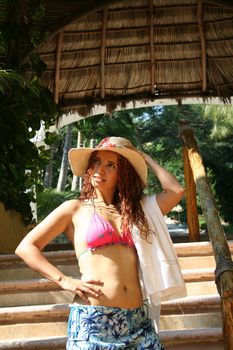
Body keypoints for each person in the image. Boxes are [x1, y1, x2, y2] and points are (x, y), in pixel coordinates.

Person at [15, 136, 186, 349]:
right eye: (96, 162)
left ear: (123, 174)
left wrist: (142, 157)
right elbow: (26, 247)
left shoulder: (138, 211)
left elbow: (176, 191)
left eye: (110, 165)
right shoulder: (74, 209)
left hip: (137, 321)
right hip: (93, 321)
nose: (99, 169)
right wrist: (65, 281)